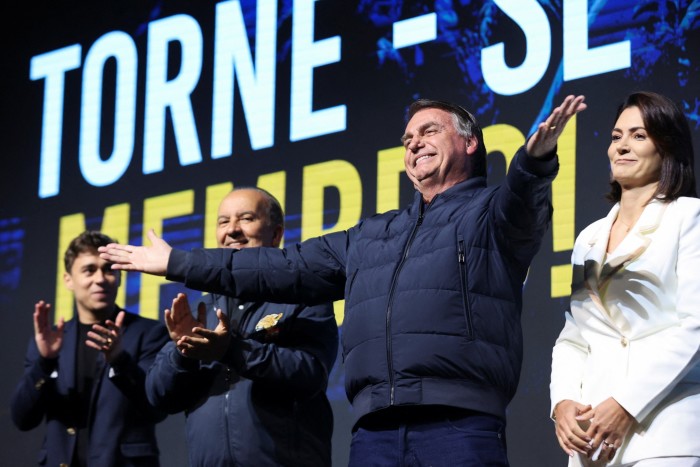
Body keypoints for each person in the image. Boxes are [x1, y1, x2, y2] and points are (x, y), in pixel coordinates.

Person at [100, 94, 587, 466]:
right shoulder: (371, 235)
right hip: (373, 432)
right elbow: (278, 266)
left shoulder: (488, 215)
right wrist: (176, 262)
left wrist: (534, 161)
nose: (413, 142)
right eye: (407, 139)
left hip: (458, 424)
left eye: (429, 131)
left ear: (469, 142)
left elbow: (524, 203)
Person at [550, 91, 700, 466]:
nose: (622, 146)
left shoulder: (689, 217)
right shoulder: (589, 237)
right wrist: (563, 402)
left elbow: (694, 324)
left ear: (667, 147)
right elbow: (575, 336)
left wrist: (626, 405)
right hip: (592, 439)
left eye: (639, 136)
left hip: (664, 430)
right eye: (617, 136)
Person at [144, 187, 338, 466]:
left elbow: (310, 374)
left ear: (276, 234)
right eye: (223, 222)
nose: (232, 230)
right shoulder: (202, 310)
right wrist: (182, 353)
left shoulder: (303, 297)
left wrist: (233, 350)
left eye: (246, 218)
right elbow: (159, 396)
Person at [10, 230, 170, 467]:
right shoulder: (49, 340)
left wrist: (119, 361)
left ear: (120, 278)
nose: (100, 278)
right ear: (68, 280)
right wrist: (44, 362)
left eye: (108, 269)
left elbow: (156, 409)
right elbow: (23, 419)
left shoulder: (149, 333)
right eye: (89, 270)